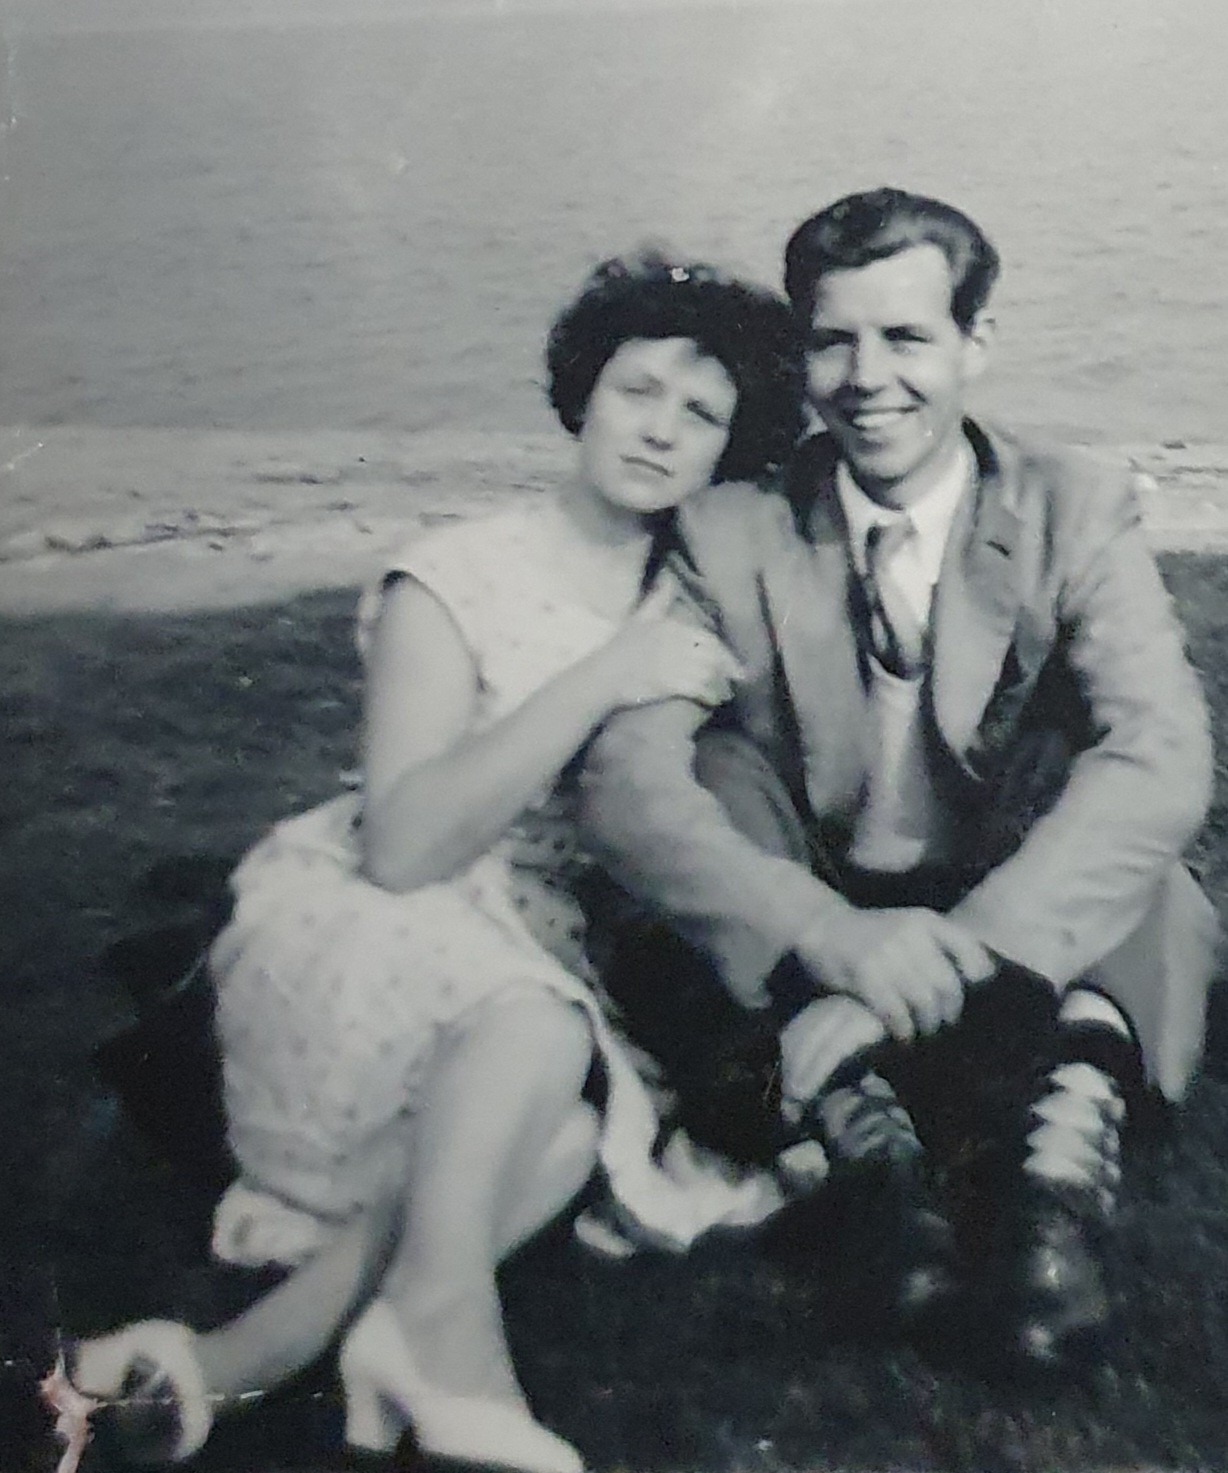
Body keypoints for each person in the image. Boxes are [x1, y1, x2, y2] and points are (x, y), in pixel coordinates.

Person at [61, 252, 808, 1471]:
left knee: (556, 1145)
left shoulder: (698, 590)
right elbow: (403, 847)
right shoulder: (454, 574)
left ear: (733, 446)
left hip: (544, 935)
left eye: (702, 414)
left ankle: (234, 1362)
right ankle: (454, 1347)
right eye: (638, 390)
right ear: (584, 392)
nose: (660, 429)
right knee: (539, 1042)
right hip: (376, 917)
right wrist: (603, 677)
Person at [580, 189, 1219, 1377]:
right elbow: (625, 784)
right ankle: (865, 1151)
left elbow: (1164, 751)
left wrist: (964, 949)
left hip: (999, 885)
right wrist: (827, 935)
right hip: (816, 883)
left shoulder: (1071, 504)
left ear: (976, 344)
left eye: (907, 337)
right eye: (835, 340)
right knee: (707, 778)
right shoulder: (730, 528)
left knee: (1140, 855)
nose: (868, 378)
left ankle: (1053, 1179)